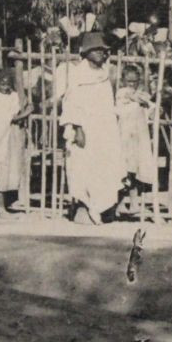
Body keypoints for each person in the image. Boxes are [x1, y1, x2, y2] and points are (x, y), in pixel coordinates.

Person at [56, 31, 127, 223]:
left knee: (105, 166)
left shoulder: (105, 74)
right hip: (85, 129)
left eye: (103, 51)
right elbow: (71, 102)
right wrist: (78, 129)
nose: (100, 54)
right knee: (82, 167)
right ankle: (83, 208)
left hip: (104, 129)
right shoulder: (78, 74)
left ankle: (102, 208)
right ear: (85, 52)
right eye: (95, 50)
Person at [0, 65, 31, 214]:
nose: (5, 86)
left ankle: (2, 204)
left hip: (10, 137)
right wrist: (23, 114)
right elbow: (0, 118)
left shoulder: (13, 96)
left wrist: (21, 114)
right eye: (1, 83)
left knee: (9, 169)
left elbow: (15, 112)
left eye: (7, 83)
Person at [114, 63, 158, 198]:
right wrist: (147, 101)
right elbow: (136, 97)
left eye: (135, 82)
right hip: (125, 136)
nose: (132, 84)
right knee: (123, 169)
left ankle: (133, 202)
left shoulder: (141, 95)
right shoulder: (122, 93)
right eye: (129, 81)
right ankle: (119, 200)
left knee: (135, 170)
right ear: (123, 81)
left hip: (139, 138)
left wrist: (152, 107)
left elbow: (151, 110)